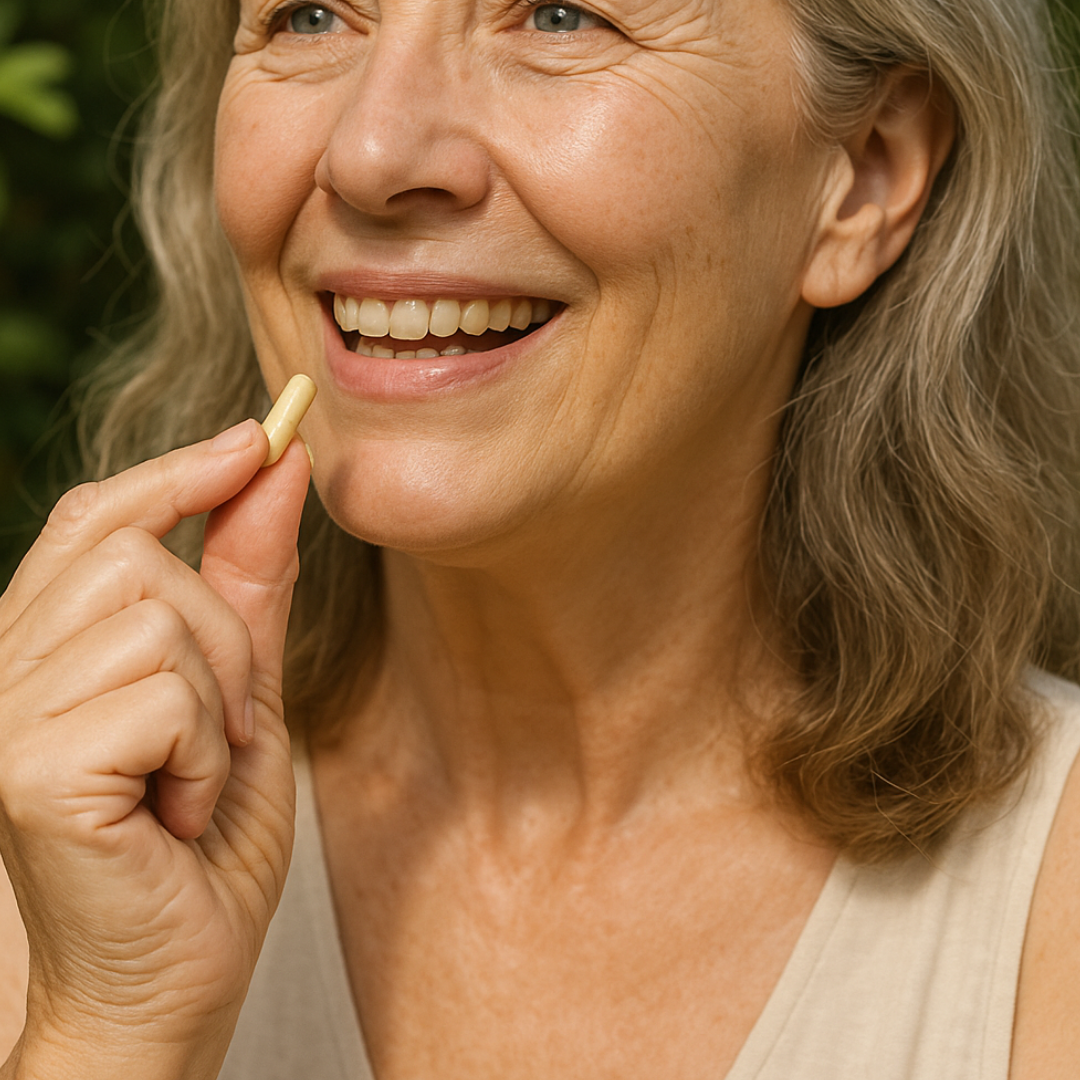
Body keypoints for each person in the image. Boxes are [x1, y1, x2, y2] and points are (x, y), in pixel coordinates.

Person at [1, 0, 1079, 1076]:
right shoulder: (63, 845)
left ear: (867, 176)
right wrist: (108, 1032)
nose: (371, 153)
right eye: (309, 15)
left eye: (561, 18)